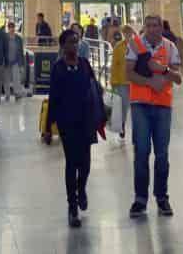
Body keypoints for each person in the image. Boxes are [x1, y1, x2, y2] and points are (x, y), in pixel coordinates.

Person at [44, 27, 106, 228]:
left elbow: (95, 88)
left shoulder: (85, 64)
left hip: (86, 119)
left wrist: (101, 114)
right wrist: (47, 126)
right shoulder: (58, 68)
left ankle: (82, 188)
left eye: (76, 41)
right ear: (63, 46)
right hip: (66, 122)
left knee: (85, 163)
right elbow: (53, 98)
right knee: (72, 162)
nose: (75, 45)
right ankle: (72, 206)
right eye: (71, 42)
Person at [127, 12, 183, 218]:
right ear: (144, 27)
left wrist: (162, 69)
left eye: (155, 25)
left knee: (162, 153)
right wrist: (150, 82)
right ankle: (140, 199)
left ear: (161, 27)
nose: (152, 29)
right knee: (141, 151)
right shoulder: (135, 45)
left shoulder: (170, 47)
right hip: (140, 104)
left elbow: (178, 77)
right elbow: (128, 73)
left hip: (162, 106)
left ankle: (162, 197)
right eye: (148, 25)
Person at [103, 14, 129, 142]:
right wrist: (113, 82)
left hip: (135, 82)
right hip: (122, 82)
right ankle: (121, 124)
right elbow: (114, 66)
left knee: (130, 106)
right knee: (122, 106)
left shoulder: (136, 47)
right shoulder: (120, 47)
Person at [6, 20, 27, 97]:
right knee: (6, 79)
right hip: (6, 61)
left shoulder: (18, 38)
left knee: (16, 78)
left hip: (15, 61)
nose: (12, 29)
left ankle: (17, 93)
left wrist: (21, 65)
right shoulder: (5, 37)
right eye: (10, 27)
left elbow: (21, 52)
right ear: (8, 28)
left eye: (13, 27)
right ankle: (7, 94)